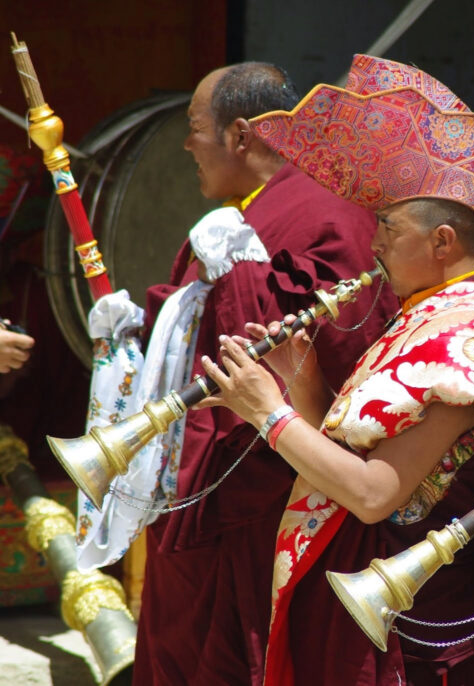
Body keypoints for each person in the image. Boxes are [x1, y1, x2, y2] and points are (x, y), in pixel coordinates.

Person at [198, 58, 474, 685]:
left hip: (419, 622)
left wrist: (266, 412)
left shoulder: (471, 339)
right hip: (372, 603)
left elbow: (375, 495)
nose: (371, 243)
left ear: (443, 243)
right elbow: (349, 457)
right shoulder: (426, 315)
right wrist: (303, 379)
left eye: (387, 226)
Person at [114, 62, 396, 685]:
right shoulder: (247, 214)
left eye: (195, 127)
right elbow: (195, 316)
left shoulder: (329, 217)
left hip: (264, 490)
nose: (188, 144)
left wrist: (242, 273)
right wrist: (139, 322)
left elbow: (332, 349)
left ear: (241, 135)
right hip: (200, 479)